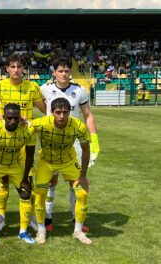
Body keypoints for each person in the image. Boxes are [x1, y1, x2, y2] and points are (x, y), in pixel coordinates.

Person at [39, 58, 100, 233]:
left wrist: (94, 138)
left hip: (74, 141)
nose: (64, 74)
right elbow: (40, 106)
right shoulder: (45, 89)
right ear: (54, 72)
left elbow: (88, 115)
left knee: (78, 180)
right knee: (51, 180)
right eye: (60, 71)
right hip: (51, 140)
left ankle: (76, 219)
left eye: (66, 71)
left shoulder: (79, 90)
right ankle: (48, 218)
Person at [0, 54, 46, 231]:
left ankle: (29, 218)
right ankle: (1, 216)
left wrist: (31, 122)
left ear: (23, 69)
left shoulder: (32, 87)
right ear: (7, 68)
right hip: (4, 139)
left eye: (19, 67)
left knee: (26, 181)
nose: (15, 70)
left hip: (24, 139)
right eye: (12, 67)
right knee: (3, 181)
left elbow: (45, 109)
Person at [32, 97, 92, 245]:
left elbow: (86, 150)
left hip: (69, 161)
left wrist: (83, 176)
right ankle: (41, 230)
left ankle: (77, 231)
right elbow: (21, 125)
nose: (61, 116)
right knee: (39, 195)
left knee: (82, 192)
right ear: (51, 112)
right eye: (58, 112)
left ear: (69, 112)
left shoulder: (78, 125)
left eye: (65, 112)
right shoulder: (41, 123)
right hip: (47, 161)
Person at [0, 103, 36, 245]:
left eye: (16, 118)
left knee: (25, 193)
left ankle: (23, 231)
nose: (12, 121)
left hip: (16, 164)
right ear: (3, 117)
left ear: (20, 117)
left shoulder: (28, 130)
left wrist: (25, 178)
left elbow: (30, 156)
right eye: (9, 118)